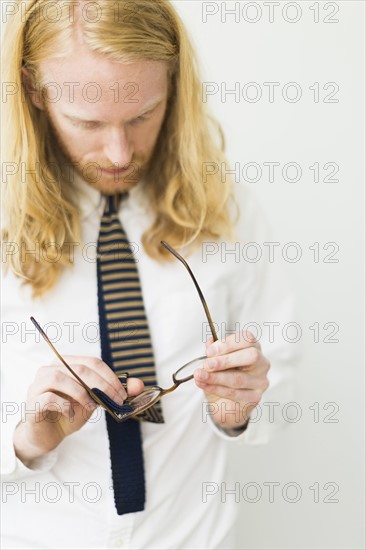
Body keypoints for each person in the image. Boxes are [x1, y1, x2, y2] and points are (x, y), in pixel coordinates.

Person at [1, 1, 294, 548]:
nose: (118, 152)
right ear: (34, 92)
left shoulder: (228, 211)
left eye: (141, 115)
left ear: (174, 85)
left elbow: (285, 383)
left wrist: (242, 408)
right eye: (87, 122)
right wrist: (25, 441)